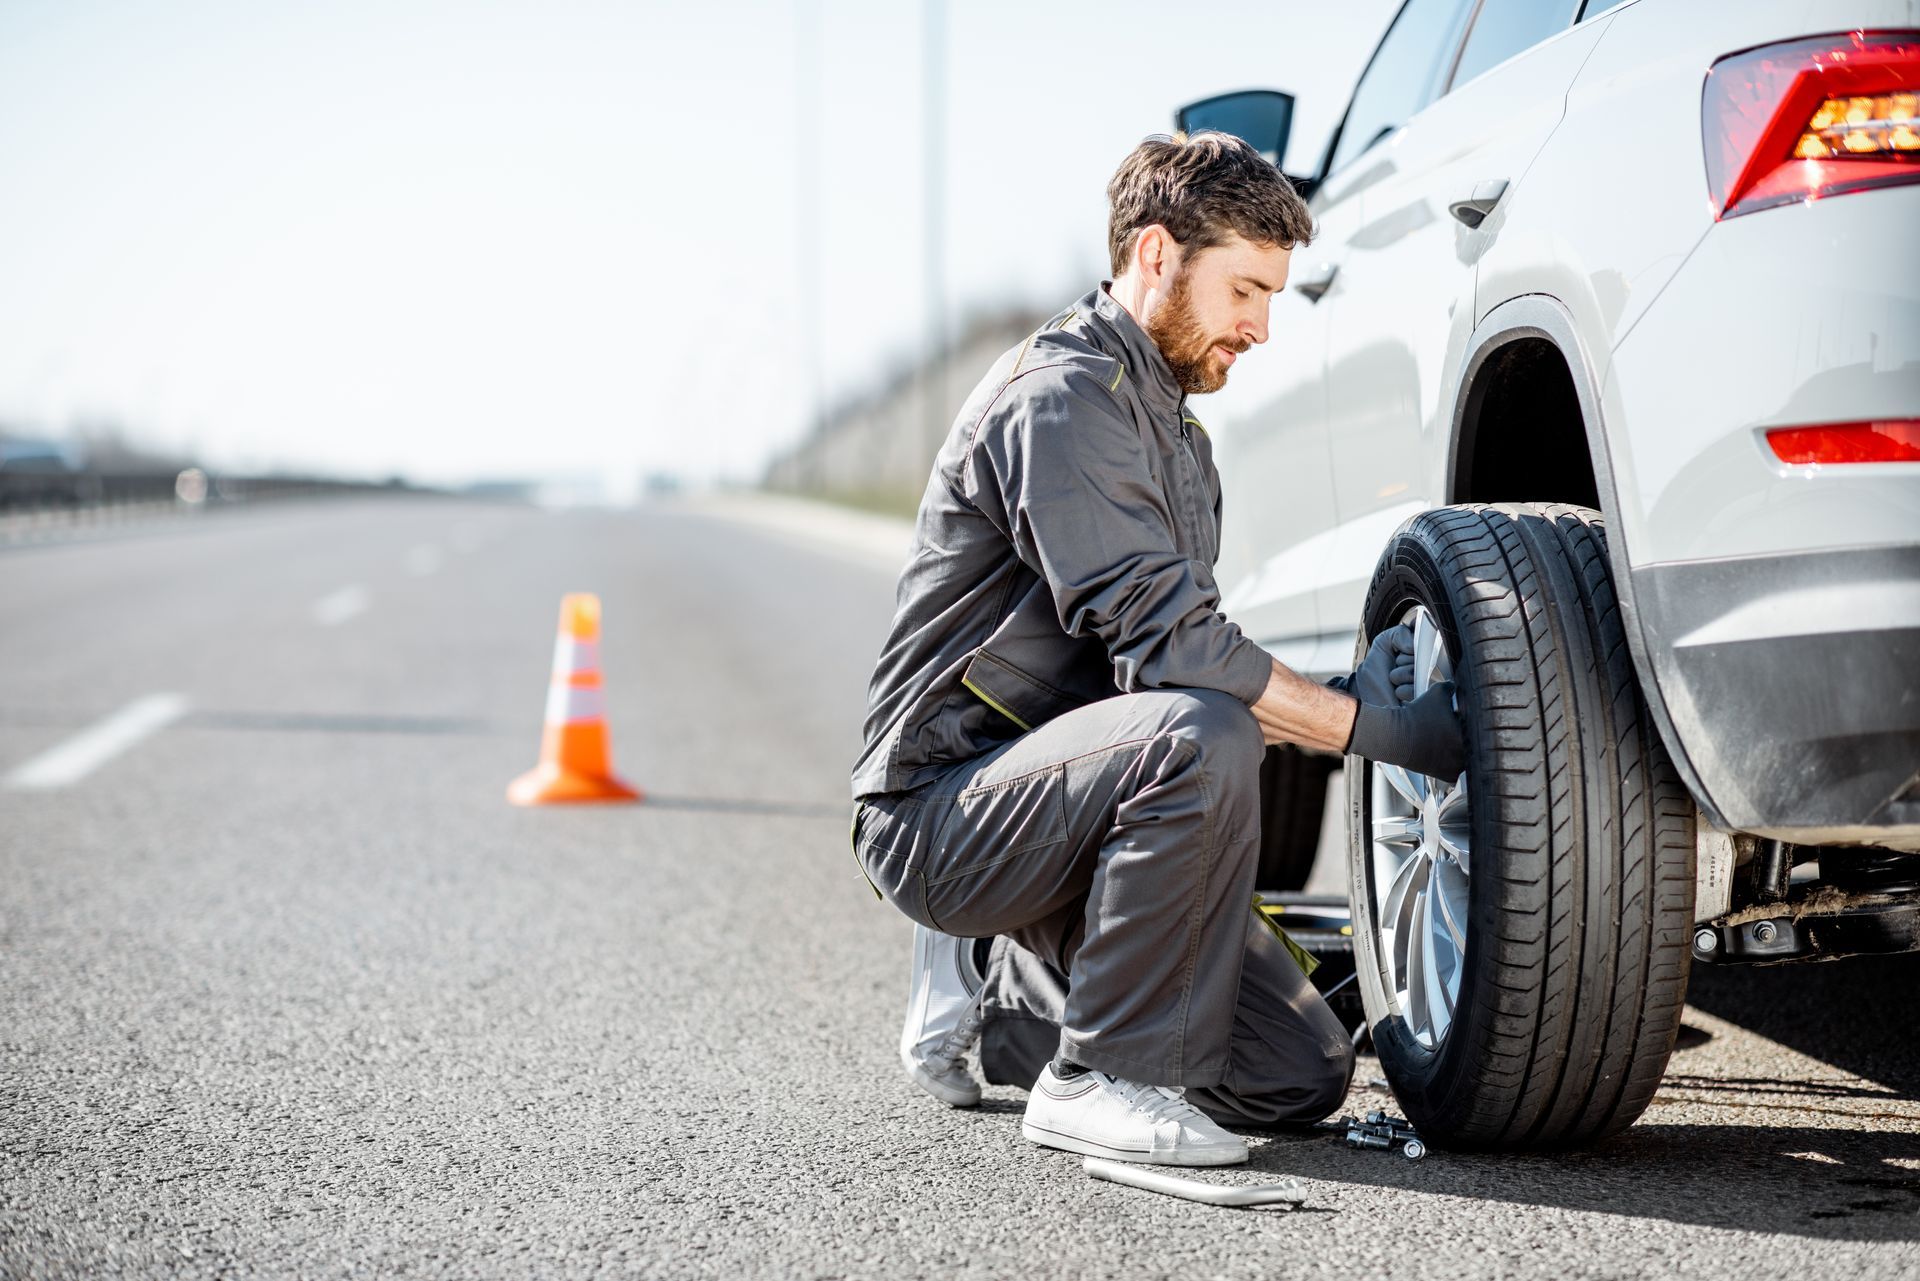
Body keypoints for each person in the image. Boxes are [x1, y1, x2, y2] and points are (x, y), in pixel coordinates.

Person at [849, 131, 1466, 1167]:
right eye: (1245, 291)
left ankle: (1015, 999)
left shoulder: (1179, 438)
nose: (1263, 326)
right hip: (938, 807)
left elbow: (1168, 659)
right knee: (1198, 735)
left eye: (1273, 296)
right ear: (1153, 257)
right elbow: (1178, 666)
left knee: (1292, 1073)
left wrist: (1325, 696)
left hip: (1063, 799)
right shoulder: (1063, 400)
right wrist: (1371, 727)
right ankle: (1098, 1079)